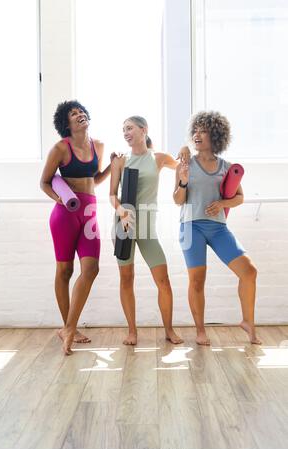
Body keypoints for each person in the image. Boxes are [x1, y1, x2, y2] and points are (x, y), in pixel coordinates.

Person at [174, 111, 261, 346]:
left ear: (216, 135)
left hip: (218, 227)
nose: (197, 134)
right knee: (197, 280)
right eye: (196, 130)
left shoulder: (227, 167)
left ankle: (247, 322)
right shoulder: (185, 164)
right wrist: (182, 180)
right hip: (191, 226)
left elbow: (240, 197)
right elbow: (178, 200)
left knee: (249, 271)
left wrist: (223, 203)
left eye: (203, 130)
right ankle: (200, 330)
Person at [40, 100, 113, 355]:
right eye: (73, 113)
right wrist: (59, 198)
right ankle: (67, 326)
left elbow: (94, 179)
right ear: (66, 123)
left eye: (81, 111)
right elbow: (45, 182)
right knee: (65, 270)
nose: (80, 114)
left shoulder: (99, 145)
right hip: (65, 213)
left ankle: (69, 327)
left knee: (91, 269)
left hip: (90, 211)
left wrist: (112, 167)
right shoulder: (61, 147)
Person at [110, 115, 184, 346]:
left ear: (144, 130)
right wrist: (121, 210)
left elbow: (183, 167)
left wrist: (185, 151)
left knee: (163, 280)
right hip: (124, 225)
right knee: (126, 278)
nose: (126, 132)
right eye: (123, 130)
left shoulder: (159, 158)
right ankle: (132, 331)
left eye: (130, 128)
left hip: (147, 229)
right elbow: (112, 195)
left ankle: (169, 330)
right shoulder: (120, 161)